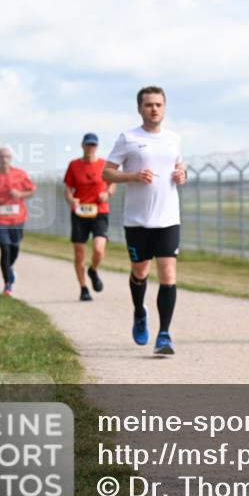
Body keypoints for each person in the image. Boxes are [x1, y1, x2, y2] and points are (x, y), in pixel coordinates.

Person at [103, 86, 185, 356]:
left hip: (168, 218)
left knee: (168, 274)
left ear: (164, 107)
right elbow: (107, 173)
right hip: (137, 221)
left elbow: (178, 167)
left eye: (159, 104)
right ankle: (139, 311)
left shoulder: (173, 139)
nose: (154, 109)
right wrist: (133, 176)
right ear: (140, 108)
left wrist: (182, 174)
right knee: (140, 272)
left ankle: (164, 335)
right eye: (149, 104)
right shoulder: (128, 138)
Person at [0, 146, 36, 295]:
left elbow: (32, 190)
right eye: (1, 156)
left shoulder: (20, 174)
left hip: (18, 218)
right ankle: (7, 284)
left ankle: (9, 268)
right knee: (5, 247)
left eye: (7, 156)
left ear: (11, 158)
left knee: (15, 247)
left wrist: (20, 194)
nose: (4, 159)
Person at [64, 133, 115, 301]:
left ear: (97, 146)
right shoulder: (74, 165)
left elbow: (112, 182)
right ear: (82, 146)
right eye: (88, 145)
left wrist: (107, 194)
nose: (90, 148)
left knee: (99, 249)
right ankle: (83, 288)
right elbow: (67, 189)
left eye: (93, 145)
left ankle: (93, 269)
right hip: (80, 212)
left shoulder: (103, 165)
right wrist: (71, 200)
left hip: (99, 211)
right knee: (79, 254)